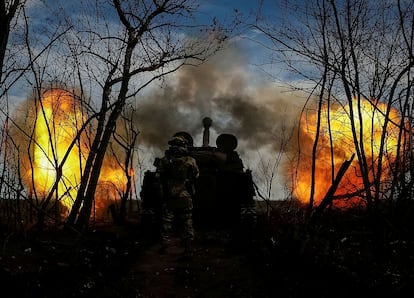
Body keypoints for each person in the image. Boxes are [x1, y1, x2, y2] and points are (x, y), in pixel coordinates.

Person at [155, 135, 199, 256]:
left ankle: (164, 246)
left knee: (166, 222)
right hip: (185, 196)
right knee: (187, 222)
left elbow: (158, 176)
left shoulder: (165, 160)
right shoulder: (190, 160)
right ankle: (189, 248)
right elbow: (195, 175)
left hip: (170, 196)